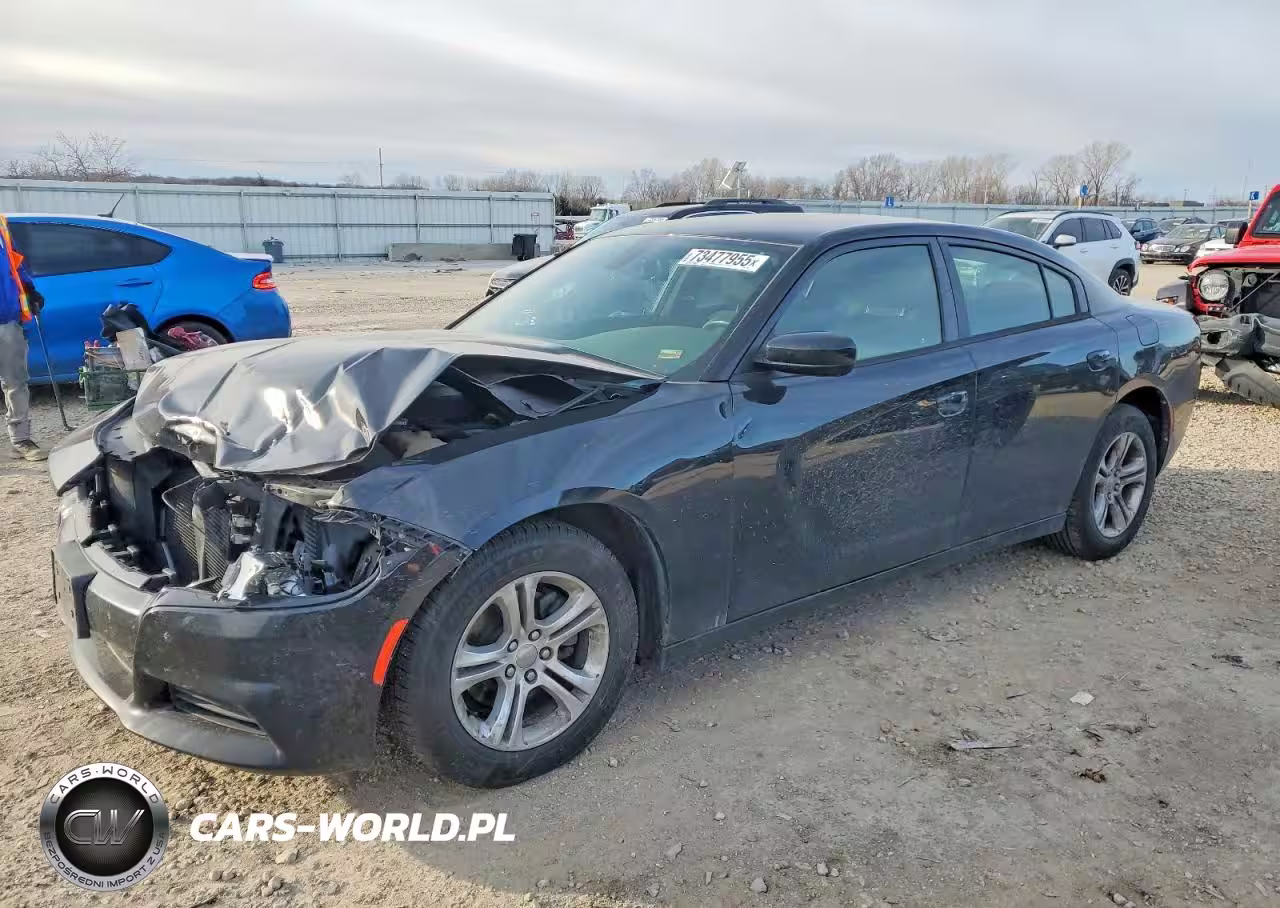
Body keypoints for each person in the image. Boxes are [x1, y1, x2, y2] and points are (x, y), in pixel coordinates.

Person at [0, 215, 47, 462]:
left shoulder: (1, 225)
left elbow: (14, 262)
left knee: (16, 381)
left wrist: (29, 288)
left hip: (7, 320)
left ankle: (20, 440)